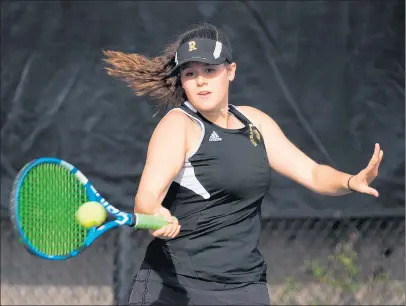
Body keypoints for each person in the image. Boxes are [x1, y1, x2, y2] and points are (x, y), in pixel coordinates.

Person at [103, 23, 383, 306]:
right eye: (190, 73)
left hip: (245, 287)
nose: (201, 81)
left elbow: (312, 173)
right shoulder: (178, 125)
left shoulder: (255, 123)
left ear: (231, 71)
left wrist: (350, 181)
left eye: (210, 70)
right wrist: (156, 213)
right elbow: (147, 196)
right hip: (175, 289)